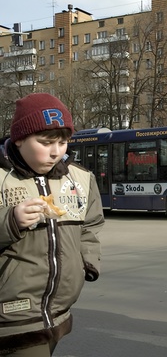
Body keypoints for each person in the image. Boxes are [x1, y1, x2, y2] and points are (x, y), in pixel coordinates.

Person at [0, 93, 104, 356]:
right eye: (46, 142)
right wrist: (10, 220)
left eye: (63, 142)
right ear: (20, 138)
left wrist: (85, 263)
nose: (56, 151)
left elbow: (90, 225)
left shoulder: (81, 178)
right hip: (13, 316)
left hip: (57, 311)